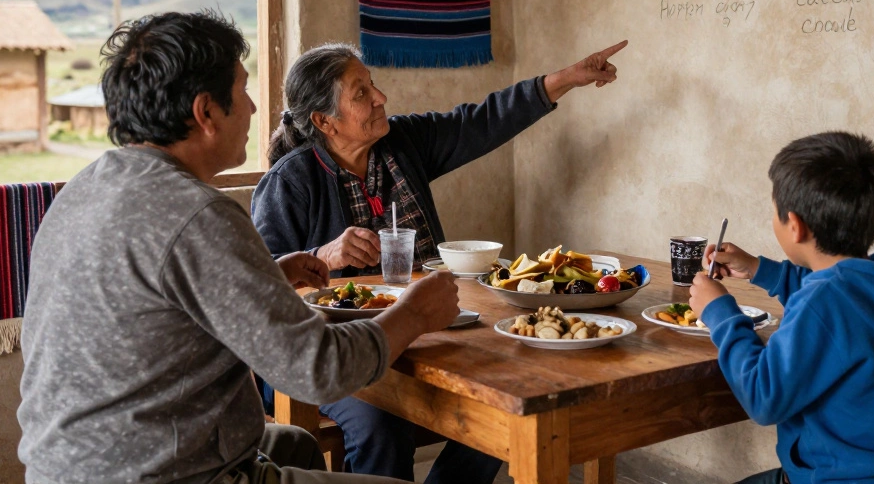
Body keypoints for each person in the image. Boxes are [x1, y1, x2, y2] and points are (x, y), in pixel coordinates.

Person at [18, 12, 461, 484]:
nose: (253, 109)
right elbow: (318, 369)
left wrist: (269, 273)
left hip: (68, 465)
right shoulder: (196, 213)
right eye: (244, 91)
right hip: (160, 474)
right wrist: (415, 313)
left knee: (295, 444)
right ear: (205, 112)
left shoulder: (85, 189)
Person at [251, 39, 627, 483]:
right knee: (380, 425)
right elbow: (258, 285)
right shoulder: (289, 182)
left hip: (422, 333)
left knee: (503, 401)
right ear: (323, 121)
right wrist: (322, 254)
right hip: (327, 351)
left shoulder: (402, 144)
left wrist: (563, 80)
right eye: (361, 94)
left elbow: (480, 121)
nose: (380, 98)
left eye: (373, 85)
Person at [689, 132, 874, 484]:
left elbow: (763, 396)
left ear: (794, 226)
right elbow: (835, 307)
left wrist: (720, 312)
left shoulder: (825, 302)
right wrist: (760, 269)